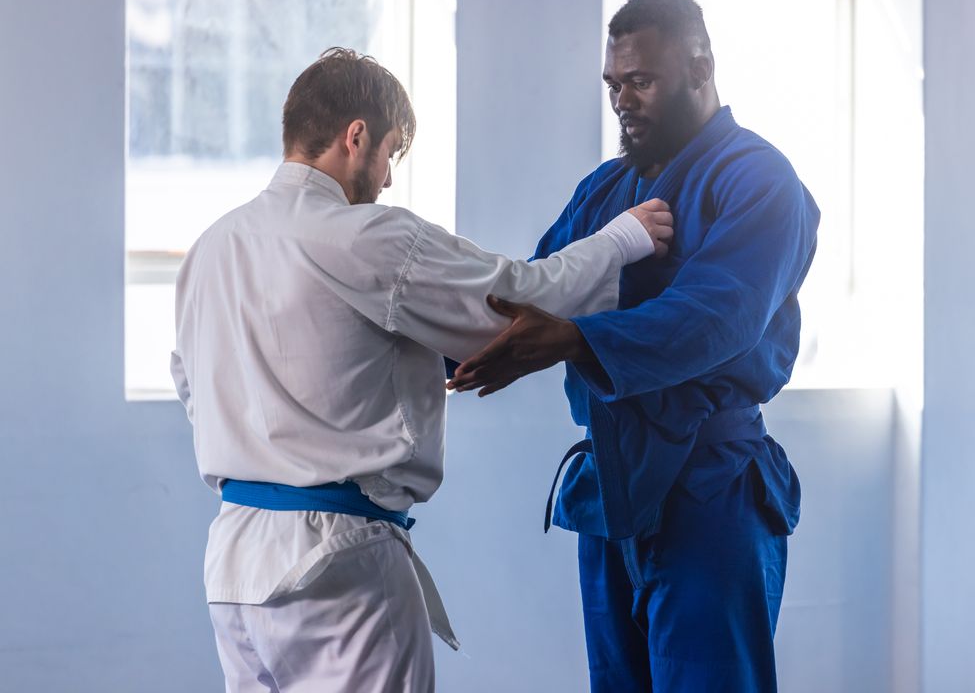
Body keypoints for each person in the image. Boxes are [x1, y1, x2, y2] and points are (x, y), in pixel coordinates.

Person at [170, 47, 673, 693]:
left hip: (234, 568)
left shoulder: (211, 248)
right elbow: (520, 297)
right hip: (340, 567)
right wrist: (622, 238)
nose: (384, 180)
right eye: (389, 154)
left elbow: (196, 388)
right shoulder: (369, 237)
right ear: (356, 136)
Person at [448, 0, 820, 693]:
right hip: (614, 492)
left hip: (710, 489)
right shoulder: (605, 190)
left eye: (641, 82)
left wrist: (574, 340)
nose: (623, 100)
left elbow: (717, 315)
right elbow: (533, 291)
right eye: (614, 85)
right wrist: (428, 332)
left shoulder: (759, 180)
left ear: (700, 68)